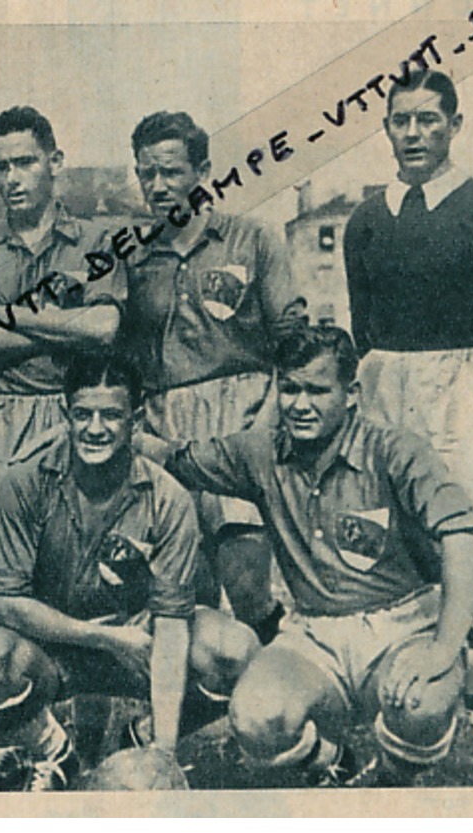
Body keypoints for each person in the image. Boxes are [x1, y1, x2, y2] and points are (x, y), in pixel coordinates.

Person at [140, 325, 473, 787]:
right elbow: (174, 458)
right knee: (255, 718)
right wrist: (110, 428)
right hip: (313, 633)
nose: (300, 405)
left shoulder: (396, 450)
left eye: (317, 391)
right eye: (290, 389)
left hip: (400, 626)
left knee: (422, 702)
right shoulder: (259, 452)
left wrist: (442, 648)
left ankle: (388, 782)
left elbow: (464, 535)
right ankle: (329, 761)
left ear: (351, 393)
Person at [342, 69, 473, 786]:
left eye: (427, 119)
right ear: (385, 129)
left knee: (472, 579)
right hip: (385, 396)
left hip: (463, 401)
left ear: (454, 124)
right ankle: (391, 747)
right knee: (383, 570)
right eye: (399, 121)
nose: (413, 133)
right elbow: (364, 330)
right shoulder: (365, 219)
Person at [0, 357, 258, 792]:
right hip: (55, 645)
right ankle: (52, 751)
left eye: (111, 415)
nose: (95, 429)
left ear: (135, 420)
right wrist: (101, 637)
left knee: (234, 648)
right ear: (66, 415)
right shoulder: (24, 483)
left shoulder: (167, 496)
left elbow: (173, 626)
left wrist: (165, 754)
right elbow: (5, 603)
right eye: (83, 414)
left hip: (141, 641)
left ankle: (142, 739)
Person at [121, 111, 309, 643]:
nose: (158, 186)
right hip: (164, 425)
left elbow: (292, 335)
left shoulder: (251, 239)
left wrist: (272, 421)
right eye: (146, 174)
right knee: (183, 590)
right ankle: (194, 718)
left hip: (240, 417)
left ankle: (283, 691)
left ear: (201, 170)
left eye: (171, 172)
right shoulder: (132, 258)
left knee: (247, 583)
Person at [0, 105, 124, 611]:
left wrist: (12, 317)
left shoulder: (92, 240)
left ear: (55, 162)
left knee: (78, 559)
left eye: (24, 162)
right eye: (1, 166)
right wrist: (62, 325)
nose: (11, 178)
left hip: (72, 414)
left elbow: (105, 327)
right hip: (0, 416)